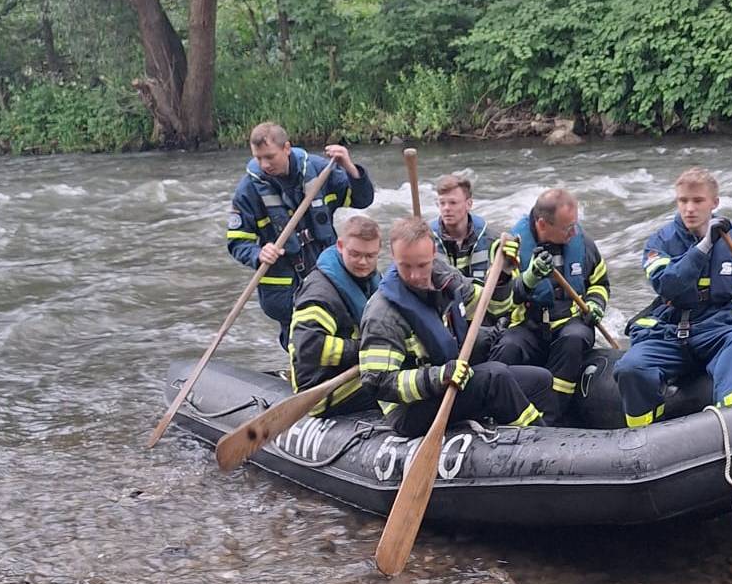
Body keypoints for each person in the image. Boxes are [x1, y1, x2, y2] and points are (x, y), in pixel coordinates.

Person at [612, 167, 732, 428]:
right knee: (631, 368)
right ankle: (645, 436)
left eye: (698, 201)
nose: (689, 209)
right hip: (668, 333)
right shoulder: (660, 241)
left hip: (715, 331)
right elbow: (669, 285)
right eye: (683, 201)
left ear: (714, 203)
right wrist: (704, 245)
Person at [358, 217, 559, 437]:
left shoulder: (444, 278)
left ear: (433, 252)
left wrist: (502, 276)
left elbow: (492, 307)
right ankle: (536, 440)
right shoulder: (383, 313)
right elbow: (377, 382)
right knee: (495, 377)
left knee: (541, 380)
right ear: (393, 257)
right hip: (410, 408)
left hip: (452, 383)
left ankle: (548, 438)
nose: (416, 276)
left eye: (422, 265)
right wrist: (439, 376)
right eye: (405, 266)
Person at [226, 122, 376, 348]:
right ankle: (304, 376)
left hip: (326, 270)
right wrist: (258, 253)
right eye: (258, 158)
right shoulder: (248, 190)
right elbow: (237, 242)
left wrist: (349, 167)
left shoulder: (319, 171)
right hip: (285, 283)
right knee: (301, 341)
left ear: (286, 148)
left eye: (270, 156)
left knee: (345, 324)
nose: (264, 164)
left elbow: (362, 199)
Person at [490, 188, 610, 406]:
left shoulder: (584, 245)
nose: (574, 233)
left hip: (569, 323)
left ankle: (554, 409)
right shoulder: (509, 249)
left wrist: (595, 303)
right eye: (567, 228)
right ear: (542, 224)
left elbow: (599, 283)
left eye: (574, 225)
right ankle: (499, 407)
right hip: (527, 324)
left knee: (574, 339)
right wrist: (529, 278)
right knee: (508, 347)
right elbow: (499, 301)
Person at [287, 214, 383, 416]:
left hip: (357, 374)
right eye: (355, 254)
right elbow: (309, 347)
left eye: (370, 256)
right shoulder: (321, 293)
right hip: (324, 389)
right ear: (340, 246)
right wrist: (367, 350)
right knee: (400, 387)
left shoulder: (371, 280)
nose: (363, 262)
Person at [430, 173, 511, 324]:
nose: (446, 209)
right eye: (442, 203)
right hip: (442, 321)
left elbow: (501, 305)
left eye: (453, 203)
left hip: (484, 321)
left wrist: (504, 275)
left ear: (469, 204)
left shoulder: (493, 241)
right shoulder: (426, 240)